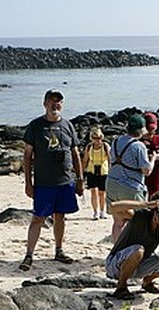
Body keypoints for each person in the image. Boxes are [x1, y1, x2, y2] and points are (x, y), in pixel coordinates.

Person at [18, 89, 83, 271]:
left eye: (59, 101)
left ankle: (59, 250)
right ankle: (29, 254)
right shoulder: (35, 126)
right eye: (52, 101)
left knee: (60, 216)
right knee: (38, 218)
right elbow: (27, 156)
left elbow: (75, 152)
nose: (55, 104)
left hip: (65, 181)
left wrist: (80, 179)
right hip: (44, 182)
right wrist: (28, 183)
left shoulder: (68, 125)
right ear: (45, 103)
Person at [105, 199, 159, 300]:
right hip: (115, 265)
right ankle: (121, 287)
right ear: (154, 211)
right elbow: (113, 207)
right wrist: (146, 204)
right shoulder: (141, 216)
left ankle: (147, 282)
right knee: (139, 250)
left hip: (139, 264)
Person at [106, 114, 159, 242]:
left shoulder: (116, 141)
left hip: (112, 183)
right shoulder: (139, 146)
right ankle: (133, 250)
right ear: (141, 130)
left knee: (118, 222)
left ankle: (117, 251)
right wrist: (153, 159)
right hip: (131, 186)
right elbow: (146, 170)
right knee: (138, 220)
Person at [81, 126, 109, 220]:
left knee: (102, 192)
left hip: (103, 170)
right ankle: (95, 212)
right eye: (95, 138)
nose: (97, 140)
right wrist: (81, 172)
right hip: (92, 170)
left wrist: (111, 170)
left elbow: (109, 159)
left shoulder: (105, 146)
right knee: (93, 191)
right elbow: (85, 159)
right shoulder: (89, 147)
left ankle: (102, 211)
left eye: (99, 138)